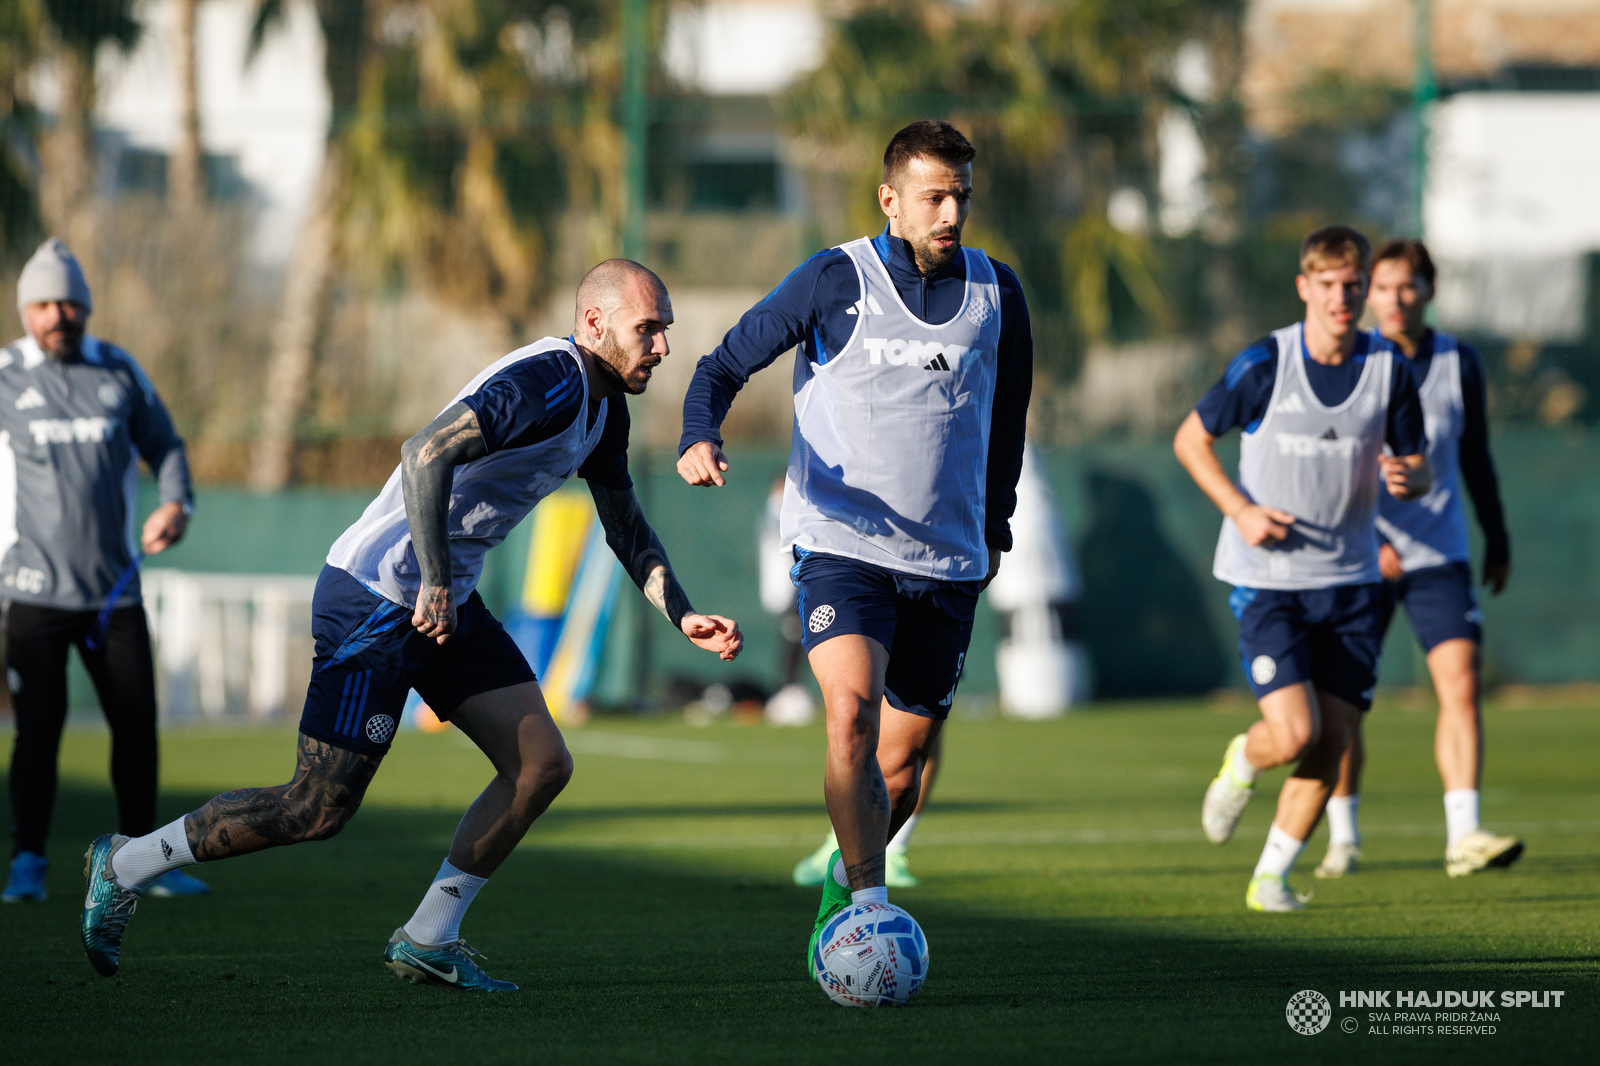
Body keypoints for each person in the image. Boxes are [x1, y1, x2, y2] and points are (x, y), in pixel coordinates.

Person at [79, 260, 742, 988]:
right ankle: (125, 862)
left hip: (444, 602)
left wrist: (682, 613)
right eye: (648, 329)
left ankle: (429, 936)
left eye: (665, 332)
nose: (662, 347)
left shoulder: (603, 410)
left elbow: (626, 528)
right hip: (375, 597)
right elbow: (424, 452)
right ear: (594, 322)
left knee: (540, 765)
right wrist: (431, 577)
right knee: (315, 807)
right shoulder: (550, 379)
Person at [677, 120, 1032, 967]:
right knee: (850, 717)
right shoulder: (837, 277)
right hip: (843, 545)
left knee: (903, 768)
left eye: (962, 196)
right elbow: (722, 364)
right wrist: (700, 432)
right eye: (933, 196)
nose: (951, 212)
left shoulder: (998, 291)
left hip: (948, 562)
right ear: (890, 199)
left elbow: (1008, 414)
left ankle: (845, 878)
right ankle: (867, 915)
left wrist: (997, 519)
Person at [1173, 225, 1430, 912]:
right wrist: (1241, 509)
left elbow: (1418, 462)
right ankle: (1241, 761)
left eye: (1354, 286)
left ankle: (1270, 878)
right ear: (1304, 288)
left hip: (1349, 584)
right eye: (1329, 286)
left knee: (1335, 739)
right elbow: (1191, 439)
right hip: (1270, 582)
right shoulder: (1266, 363)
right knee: (1294, 734)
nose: (1343, 299)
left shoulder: (1389, 369)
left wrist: (1410, 478)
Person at [1, 239, 207, 902]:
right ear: (25, 310)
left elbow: (165, 444)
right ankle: (28, 862)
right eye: (42, 304)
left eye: (68, 302)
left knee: (135, 725)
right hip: (31, 593)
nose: (56, 314)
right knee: (38, 730)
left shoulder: (118, 370)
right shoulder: (5, 376)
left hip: (114, 591)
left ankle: (142, 862)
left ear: (85, 307)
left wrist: (176, 503)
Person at [1313, 238, 1521, 880]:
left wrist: (1496, 534)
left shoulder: (1460, 360)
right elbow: (1325, 466)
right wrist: (1371, 541)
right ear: (1366, 293)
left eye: (1410, 286)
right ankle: (1342, 837)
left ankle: (1464, 834)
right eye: (1384, 286)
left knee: (1460, 685)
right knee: (1343, 705)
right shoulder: (1351, 360)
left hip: (1440, 555)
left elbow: (1477, 455)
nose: (1396, 299)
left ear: (1429, 290)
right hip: (1359, 557)